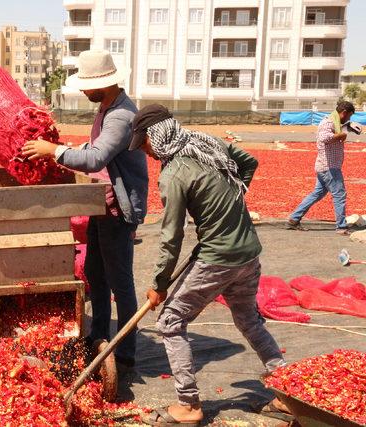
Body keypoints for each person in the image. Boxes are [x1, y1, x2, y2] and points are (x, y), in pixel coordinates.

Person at [130, 104, 288, 425]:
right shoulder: (208, 144)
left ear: (156, 135)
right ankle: (287, 391)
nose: (145, 151)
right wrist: (232, 200)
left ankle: (189, 405)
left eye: (144, 143)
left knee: (170, 321)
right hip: (248, 252)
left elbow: (172, 236)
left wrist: (159, 284)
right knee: (248, 320)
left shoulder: (173, 173)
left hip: (218, 258)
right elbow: (248, 161)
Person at [22, 50, 148, 370]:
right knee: (95, 272)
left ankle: (126, 352)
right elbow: (93, 149)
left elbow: (96, 160)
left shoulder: (121, 115)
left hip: (117, 208)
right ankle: (99, 336)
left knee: (120, 281)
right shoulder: (107, 107)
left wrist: (53, 151)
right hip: (99, 202)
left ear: (102, 85)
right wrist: (71, 149)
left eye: (85, 87)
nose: (82, 92)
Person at [288, 101, 357, 235]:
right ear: (343, 113)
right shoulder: (328, 122)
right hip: (329, 167)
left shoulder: (336, 123)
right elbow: (324, 137)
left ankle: (294, 218)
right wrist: (341, 135)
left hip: (326, 166)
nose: (349, 118)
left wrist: (347, 129)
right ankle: (341, 227)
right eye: (349, 116)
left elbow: (334, 134)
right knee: (340, 195)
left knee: (318, 193)